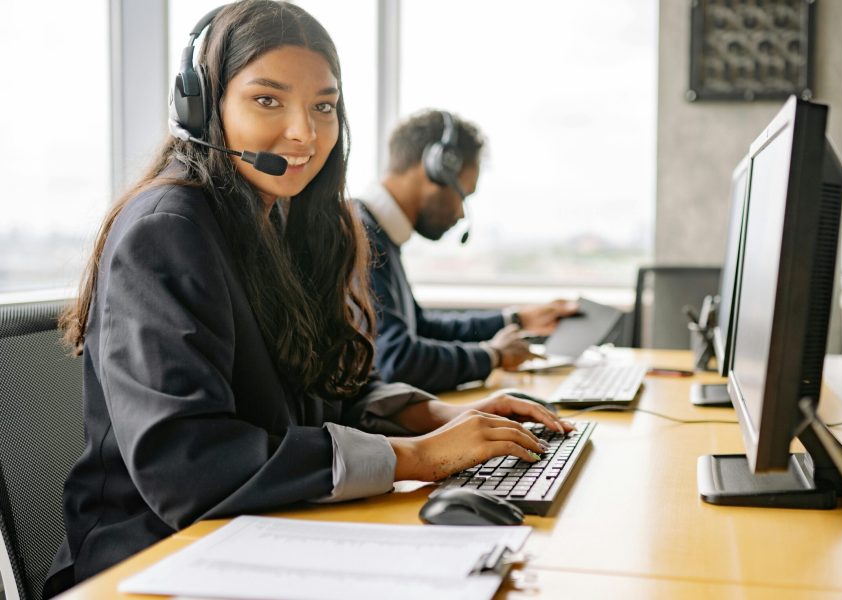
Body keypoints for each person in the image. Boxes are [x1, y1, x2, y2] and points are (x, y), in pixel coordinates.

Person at [44, 2, 570, 595]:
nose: (305, 132)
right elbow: (186, 467)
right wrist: (412, 458)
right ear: (202, 106)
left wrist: (437, 417)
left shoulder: (285, 225)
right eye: (268, 100)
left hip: (258, 535)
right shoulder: (167, 230)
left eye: (324, 106)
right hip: (147, 561)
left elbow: (328, 387)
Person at [357, 110, 579, 393]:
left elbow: (421, 327)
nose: (461, 213)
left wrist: (517, 320)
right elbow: (397, 361)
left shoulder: (380, 233)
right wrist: (492, 355)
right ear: (436, 168)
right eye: (463, 194)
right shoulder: (361, 237)